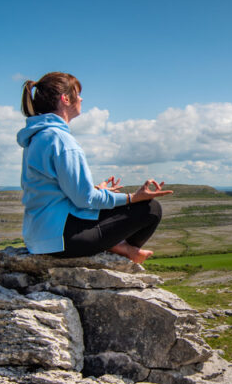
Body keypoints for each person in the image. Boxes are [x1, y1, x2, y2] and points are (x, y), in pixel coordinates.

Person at [16, 71, 172, 263]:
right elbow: (85, 199)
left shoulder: (37, 137)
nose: (81, 99)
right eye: (77, 93)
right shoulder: (63, 141)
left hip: (38, 235)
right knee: (150, 209)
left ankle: (117, 245)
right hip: (63, 240)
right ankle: (122, 248)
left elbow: (50, 189)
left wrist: (96, 190)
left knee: (113, 206)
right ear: (65, 99)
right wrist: (133, 198)